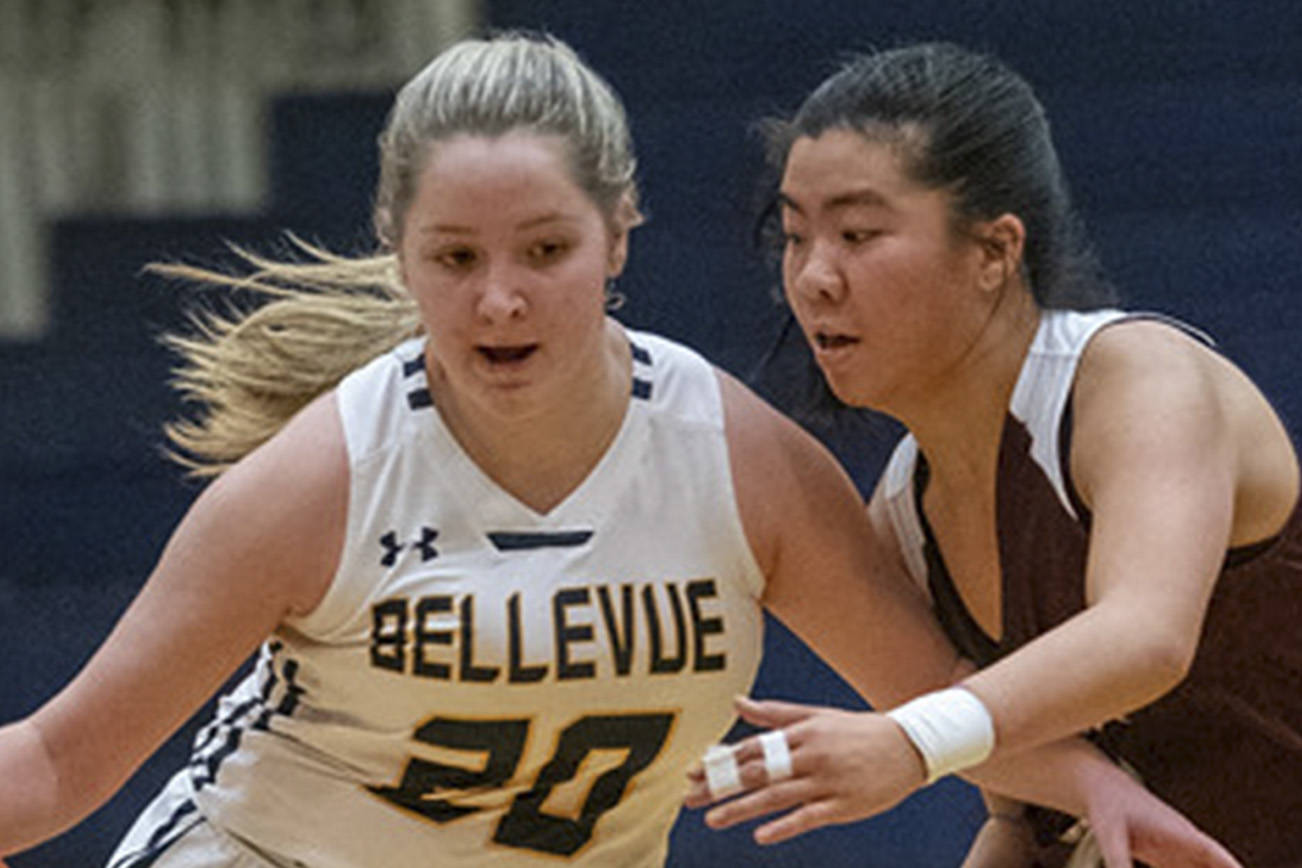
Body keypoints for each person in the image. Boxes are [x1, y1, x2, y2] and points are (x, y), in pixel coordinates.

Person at [0, 32, 1241, 868]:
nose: (500, 302)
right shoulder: (320, 481)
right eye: (455, 258)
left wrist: (1096, 791)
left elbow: (930, 701)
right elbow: (57, 763)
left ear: (621, 235)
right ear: (399, 250)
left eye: (545, 252)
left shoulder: (735, 460)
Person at [684, 40, 1302, 868]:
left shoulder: (1135, 377)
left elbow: (1145, 636)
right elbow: (1023, 818)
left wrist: (910, 739)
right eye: (796, 236)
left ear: (994, 251)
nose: (814, 278)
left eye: (858, 234)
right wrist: (930, 745)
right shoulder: (903, 512)